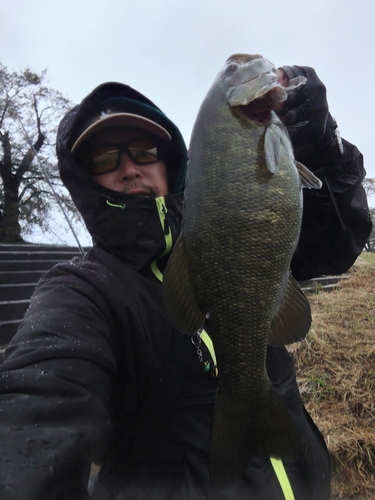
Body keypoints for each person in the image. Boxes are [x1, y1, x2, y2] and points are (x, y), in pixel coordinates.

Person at [0, 65, 371, 500]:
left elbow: (339, 241)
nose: (128, 169)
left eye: (143, 151)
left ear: (169, 162)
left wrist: (317, 139)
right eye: (103, 159)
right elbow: (39, 403)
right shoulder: (81, 293)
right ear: (84, 179)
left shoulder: (235, 226)